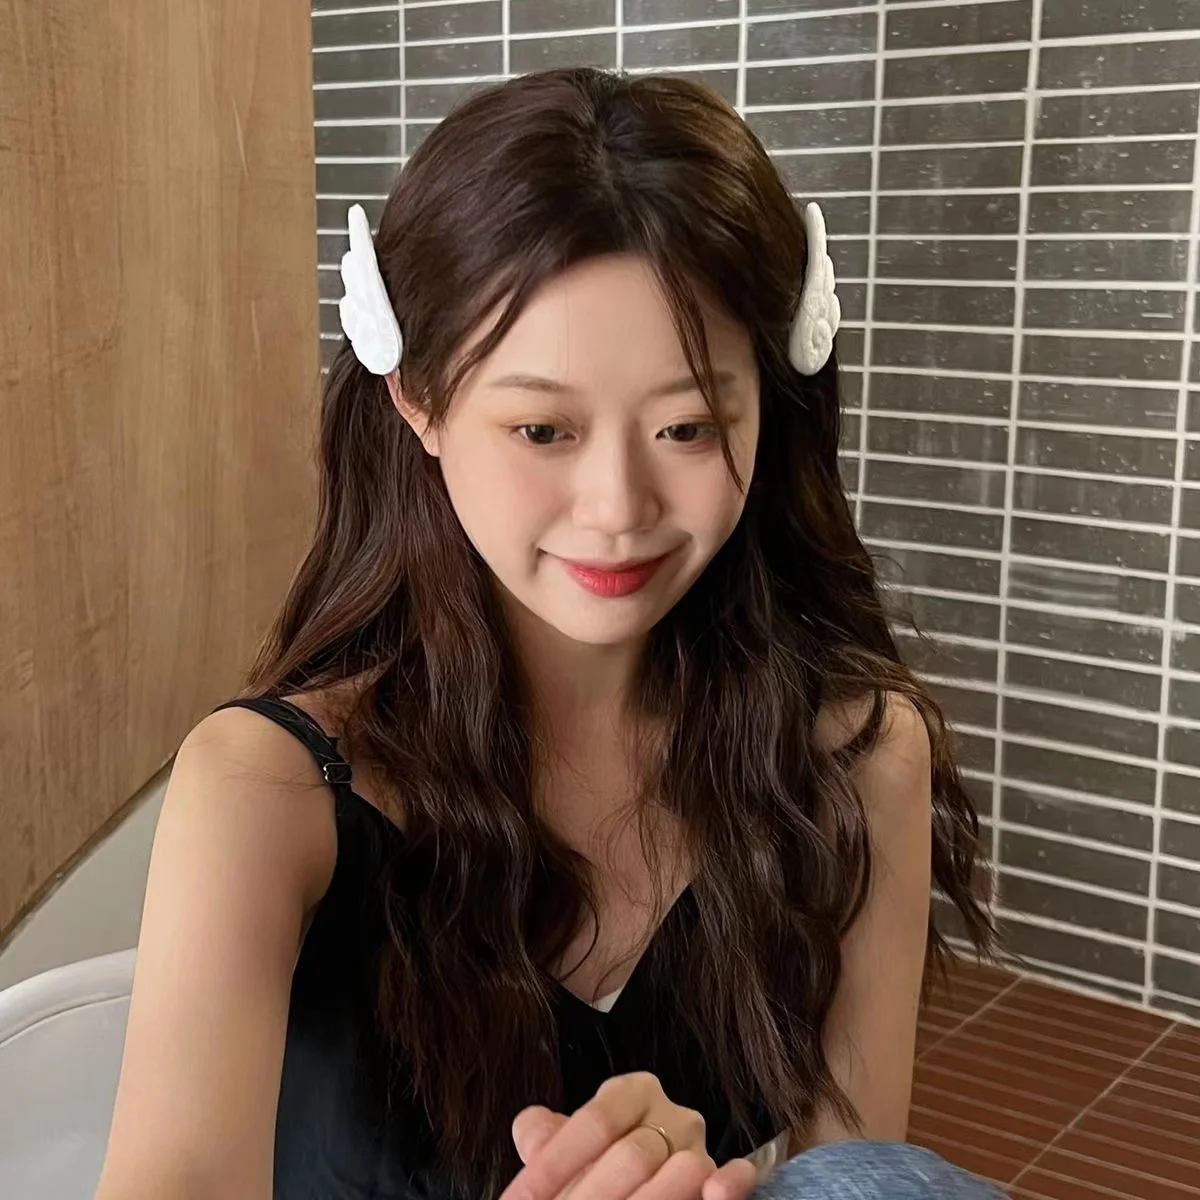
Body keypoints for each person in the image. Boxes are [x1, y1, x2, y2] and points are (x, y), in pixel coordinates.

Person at [95, 67, 996, 1200]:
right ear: (419, 400)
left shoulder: (855, 758)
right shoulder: (267, 790)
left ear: (772, 404)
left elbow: (848, 1162)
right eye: (541, 429)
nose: (617, 508)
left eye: (687, 426)